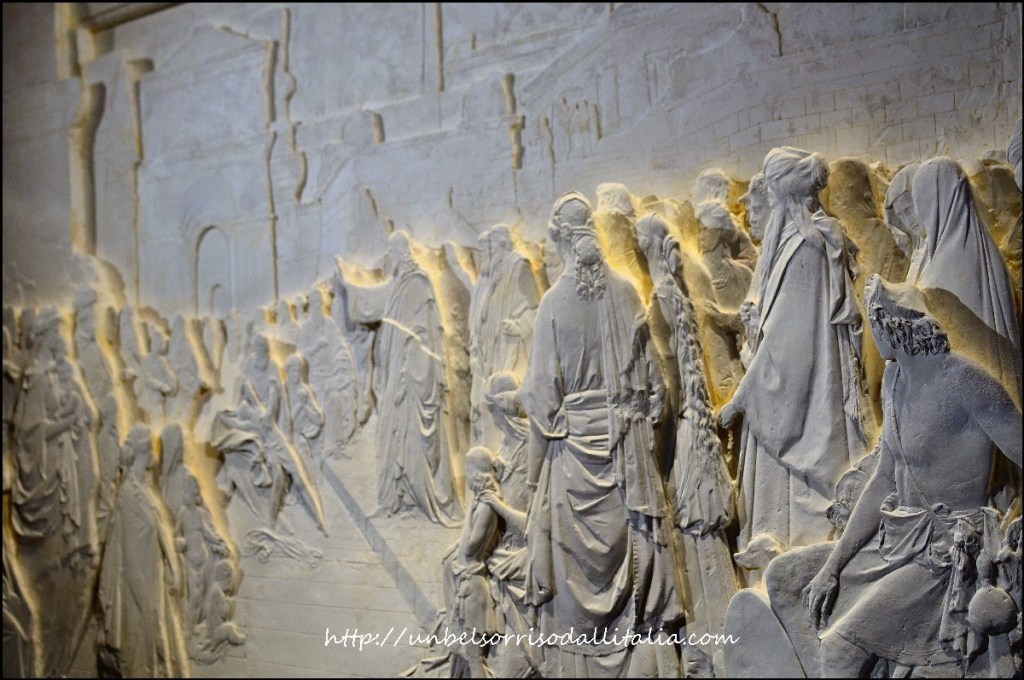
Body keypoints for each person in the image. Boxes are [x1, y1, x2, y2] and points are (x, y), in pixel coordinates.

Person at [804, 275, 1022, 677]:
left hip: (946, 555)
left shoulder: (964, 381)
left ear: (890, 326)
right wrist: (831, 568)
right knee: (791, 578)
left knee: (837, 652)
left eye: (872, 323)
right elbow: (884, 480)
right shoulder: (895, 381)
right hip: (898, 540)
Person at [521, 192, 681, 677]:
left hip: (574, 453)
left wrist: (534, 474)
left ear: (559, 241)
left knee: (575, 570)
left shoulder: (553, 304)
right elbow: (655, 390)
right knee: (634, 543)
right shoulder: (627, 292)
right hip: (625, 449)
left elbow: (542, 396)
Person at [722, 147, 873, 550]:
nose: (764, 210)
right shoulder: (799, 243)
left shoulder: (806, 247)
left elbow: (789, 345)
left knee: (801, 511)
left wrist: (741, 398)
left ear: (783, 197)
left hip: (799, 404)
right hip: (791, 395)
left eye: (770, 198)